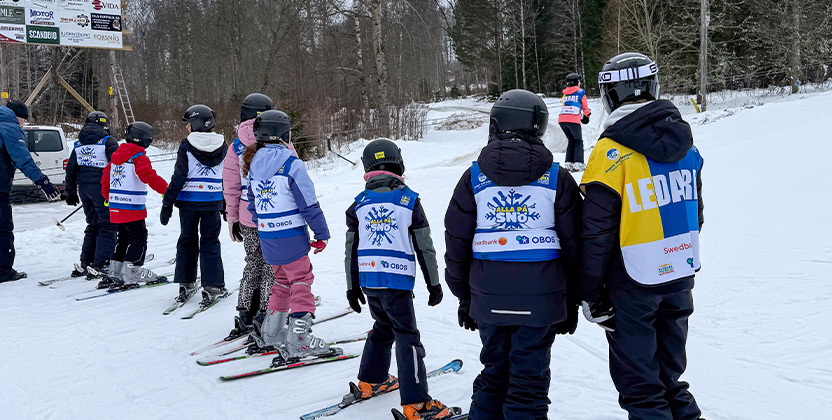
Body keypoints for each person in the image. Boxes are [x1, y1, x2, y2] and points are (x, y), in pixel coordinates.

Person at [444, 89, 583, 420]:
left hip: (489, 298)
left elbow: (456, 241)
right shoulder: (556, 178)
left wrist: (466, 297)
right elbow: (576, 244)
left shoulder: (474, 178)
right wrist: (573, 299)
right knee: (528, 385)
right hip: (540, 300)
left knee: (493, 374)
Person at [580, 52, 704, 420]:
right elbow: (695, 214)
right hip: (679, 277)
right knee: (671, 379)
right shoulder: (688, 146)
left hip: (631, 285)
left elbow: (595, 233)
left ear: (609, 96)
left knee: (643, 390)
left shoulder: (610, 152)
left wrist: (589, 294)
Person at [345, 139, 458, 420]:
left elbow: (351, 250)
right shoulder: (408, 200)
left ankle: (371, 380)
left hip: (370, 281)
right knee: (407, 337)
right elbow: (425, 246)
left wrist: (351, 287)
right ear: (399, 164)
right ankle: (417, 404)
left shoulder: (358, 204)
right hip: (396, 282)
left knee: (383, 327)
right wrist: (433, 283)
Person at [242, 110, 332, 364]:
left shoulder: (252, 167)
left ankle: (272, 331)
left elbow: (253, 206)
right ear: (284, 135)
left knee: (282, 281)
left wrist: (266, 228)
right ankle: (299, 339)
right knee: (302, 280)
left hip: (268, 237)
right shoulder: (292, 165)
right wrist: (322, 233)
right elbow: (308, 204)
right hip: (291, 235)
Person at [222, 93, 278, 339]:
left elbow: (231, 188)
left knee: (253, 263)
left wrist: (232, 218)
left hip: (247, 218)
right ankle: (265, 314)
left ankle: (245, 311)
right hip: (274, 216)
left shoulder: (234, 148)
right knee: (270, 266)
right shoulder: (279, 142)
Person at [161, 104, 228, 304]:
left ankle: (186, 282)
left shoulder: (186, 146)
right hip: (212, 202)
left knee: (187, 241)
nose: (186, 128)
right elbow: (227, 177)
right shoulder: (224, 146)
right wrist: (227, 204)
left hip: (188, 203)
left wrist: (168, 202)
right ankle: (213, 285)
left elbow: (179, 176)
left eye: (189, 124)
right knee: (210, 242)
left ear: (197, 124)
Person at [99, 122, 169, 291]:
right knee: (139, 237)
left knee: (122, 238)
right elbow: (148, 176)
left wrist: (108, 197)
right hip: (132, 208)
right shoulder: (139, 157)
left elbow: (105, 180)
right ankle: (132, 271)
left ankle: (115, 271)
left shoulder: (116, 158)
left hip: (116, 206)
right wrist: (166, 190)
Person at [0, 101, 60, 283]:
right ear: (17, 117)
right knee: (3, 228)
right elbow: (23, 159)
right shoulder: (9, 127)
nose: (23, 125)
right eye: (23, 121)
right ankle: (3, 271)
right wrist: (44, 182)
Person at [65, 111, 119, 279]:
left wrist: (71, 191)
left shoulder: (79, 144)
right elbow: (117, 165)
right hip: (102, 189)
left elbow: (71, 168)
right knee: (108, 225)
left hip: (84, 189)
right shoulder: (107, 142)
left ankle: (86, 261)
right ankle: (102, 263)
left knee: (93, 224)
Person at [558, 73, 591, 172]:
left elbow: (564, 103)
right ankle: (578, 163)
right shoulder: (580, 92)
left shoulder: (565, 93)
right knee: (578, 141)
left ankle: (569, 163)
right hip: (573, 119)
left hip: (562, 120)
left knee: (571, 140)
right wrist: (587, 115)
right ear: (577, 82)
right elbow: (584, 106)